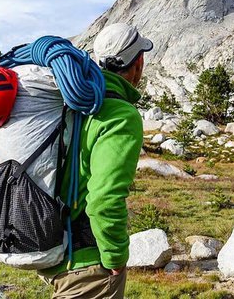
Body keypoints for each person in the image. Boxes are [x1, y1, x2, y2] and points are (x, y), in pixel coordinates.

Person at [40, 23, 153, 298]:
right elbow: (104, 199)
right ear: (138, 63)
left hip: (56, 253)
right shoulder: (120, 115)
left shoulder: (78, 103)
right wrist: (115, 259)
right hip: (89, 266)